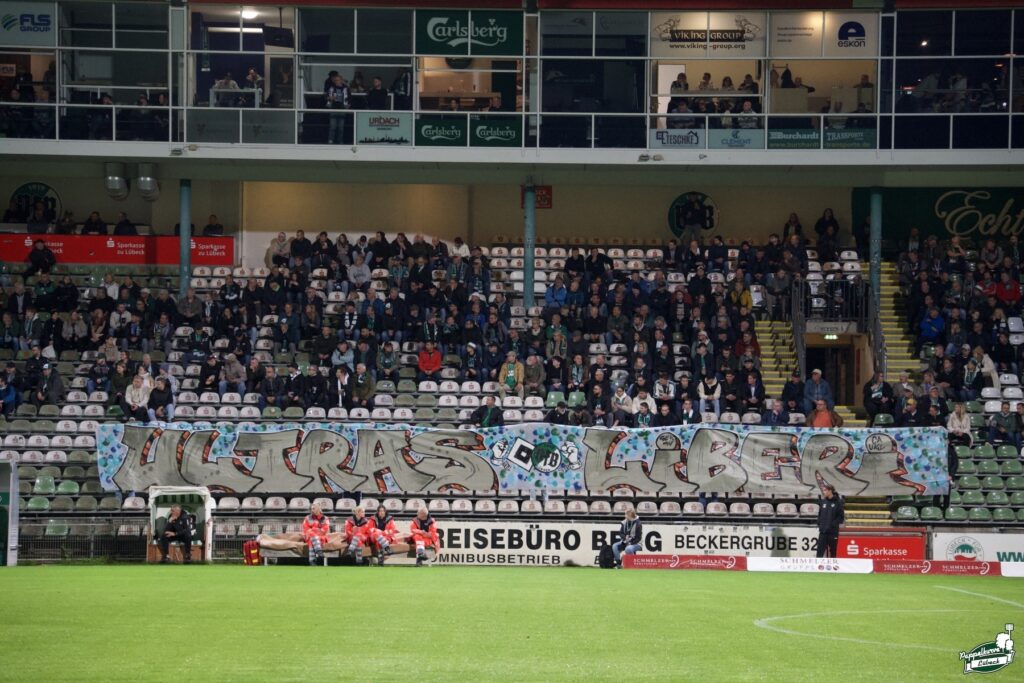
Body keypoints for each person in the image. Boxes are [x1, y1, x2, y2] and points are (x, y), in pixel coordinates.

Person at [815, 484, 844, 559]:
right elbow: (820, 514)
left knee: (833, 552)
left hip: (832, 533)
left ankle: (832, 566)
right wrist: (819, 523)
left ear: (830, 491)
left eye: (825, 490)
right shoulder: (823, 501)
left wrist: (832, 525)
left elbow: (841, 517)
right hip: (823, 532)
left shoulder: (838, 502)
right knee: (819, 552)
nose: (823, 492)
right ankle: (818, 565)